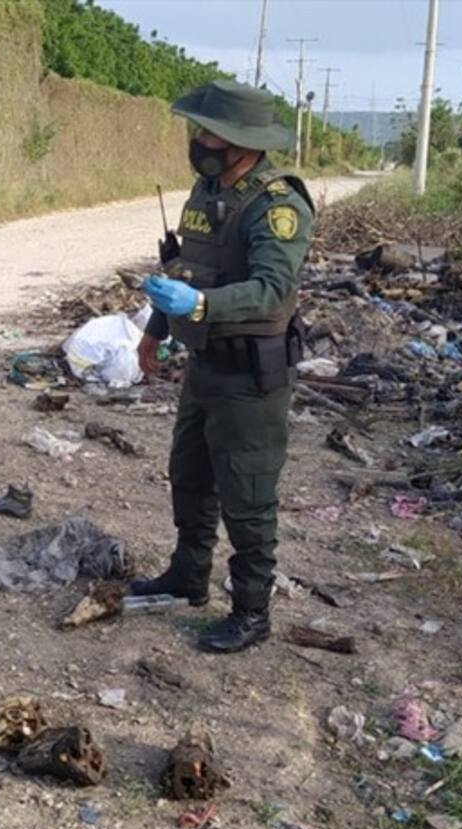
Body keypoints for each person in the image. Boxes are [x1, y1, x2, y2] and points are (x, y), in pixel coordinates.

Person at [132, 80, 315, 654]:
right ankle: (189, 577)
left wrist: (204, 306)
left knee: (247, 495)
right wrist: (156, 330)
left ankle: (251, 611)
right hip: (205, 366)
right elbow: (187, 270)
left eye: (209, 131)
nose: (199, 140)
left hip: (251, 378)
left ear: (239, 141)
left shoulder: (277, 206)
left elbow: (270, 290)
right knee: (190, 477)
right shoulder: (207, 191)